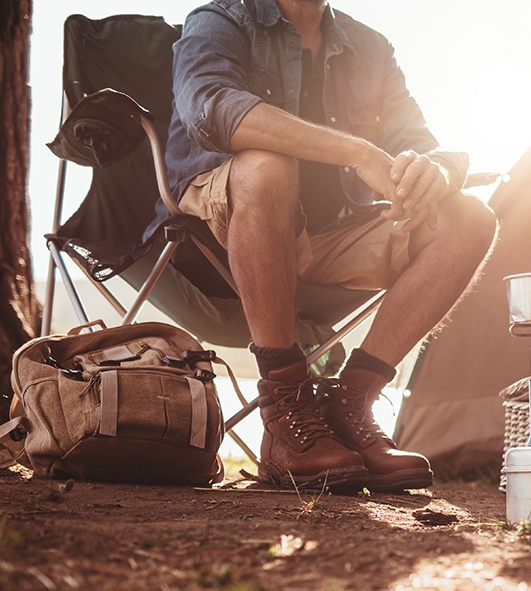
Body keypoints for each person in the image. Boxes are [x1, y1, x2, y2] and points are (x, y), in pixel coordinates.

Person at [153, 0, 498, 492]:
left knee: (469, 218)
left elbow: (418, 140)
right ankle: (284, 408)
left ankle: (350, 404)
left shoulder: (369, 47)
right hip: (215, 232)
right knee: (267, 167)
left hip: (332, 233)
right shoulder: (221, 19)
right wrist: (357, 151)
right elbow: (213, 109)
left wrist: (436, 172)